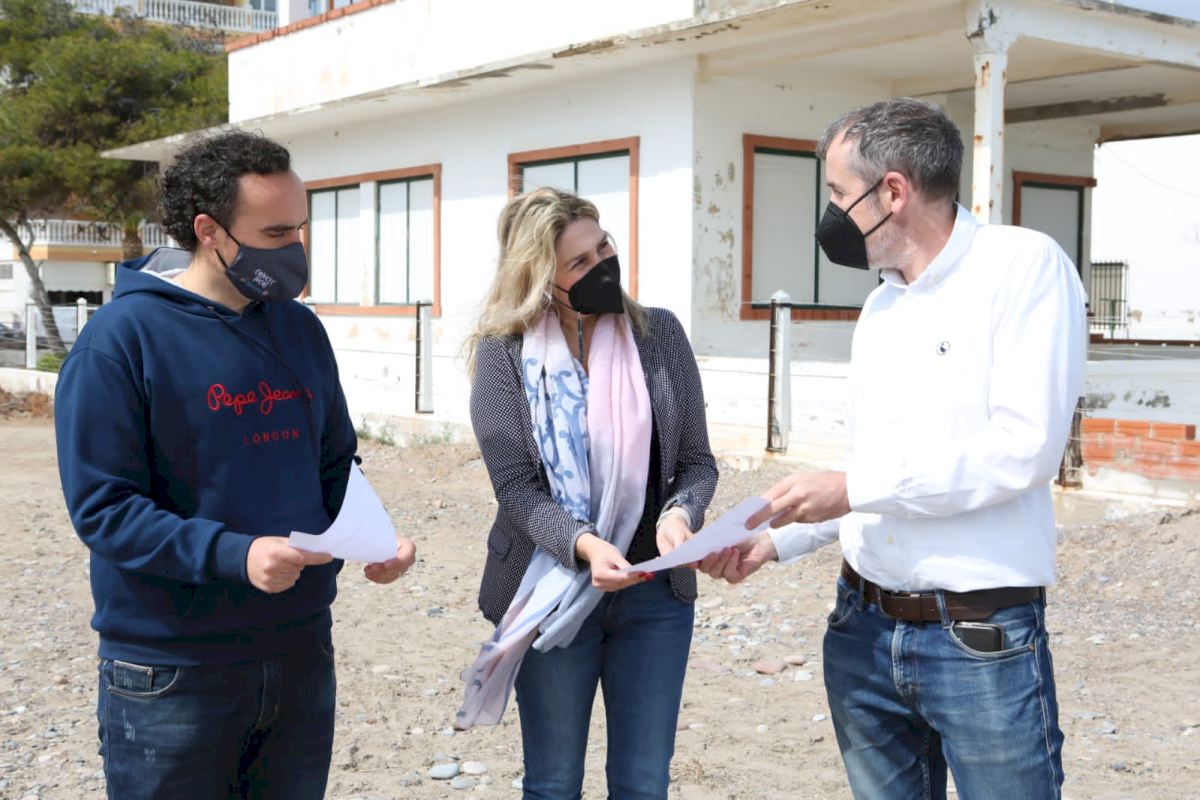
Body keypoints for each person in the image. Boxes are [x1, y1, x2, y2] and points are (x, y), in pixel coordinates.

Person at [702, 98, 1086, 800]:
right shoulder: (882, 305)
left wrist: (850, 489)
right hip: (862, 630)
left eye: (838, 192)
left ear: (894, 192)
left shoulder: (1022, 267)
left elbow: (1023, 451)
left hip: (978, 638)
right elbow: (877, 475)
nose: (830, 214)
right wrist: (775, 541)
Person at [54, 130, 416, 800]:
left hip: (300, 650)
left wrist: (373, 535)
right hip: (172, 669)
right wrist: (235, 554)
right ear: (208, 231)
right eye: (275, 233)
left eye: (299, 229)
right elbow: (104, 509)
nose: (295, 249)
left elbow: (334, 463)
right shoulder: (121, 340)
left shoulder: (300, 330)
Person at [457, 187, 718, 799]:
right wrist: (585, 545)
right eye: (579, 262)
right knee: (553, 783)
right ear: (541, 279)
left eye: (603, 247)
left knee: (643, 782)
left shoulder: (660, 333)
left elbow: (696, 463)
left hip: (654, 594)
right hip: (550, 588)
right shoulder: (504, 351)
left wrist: (680, 514)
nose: (602, 265)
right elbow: (516, 490)